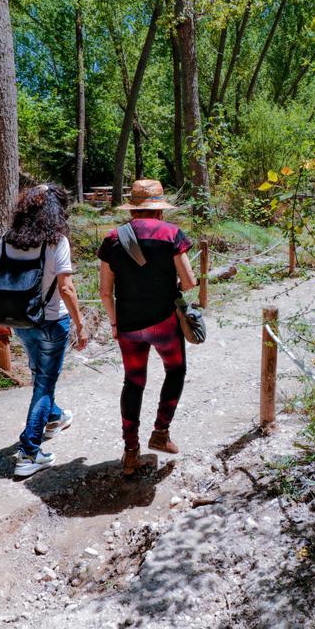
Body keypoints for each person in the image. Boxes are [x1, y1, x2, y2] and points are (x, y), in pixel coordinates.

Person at [98, 179, 198, 476]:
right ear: (159, 210)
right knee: (176, 370)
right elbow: (190, 281)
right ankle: (161, 432)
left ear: (133, 209)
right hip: (163, 321)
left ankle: (130, 451)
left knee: (134, 382)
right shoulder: (171, 235)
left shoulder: (113, 238)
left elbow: (105, 292)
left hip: (128, 324)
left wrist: (115, 322)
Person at [0, 184, 90, 478]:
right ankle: (29, 452)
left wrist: (0, 322)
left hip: (20, 319)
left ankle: (56, 416)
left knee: (40, 375)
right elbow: (66, 287)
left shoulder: (7, 240)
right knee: (44, 385)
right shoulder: (57, 241)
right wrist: (80, 324)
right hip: (52, 321)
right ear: (55, 211)